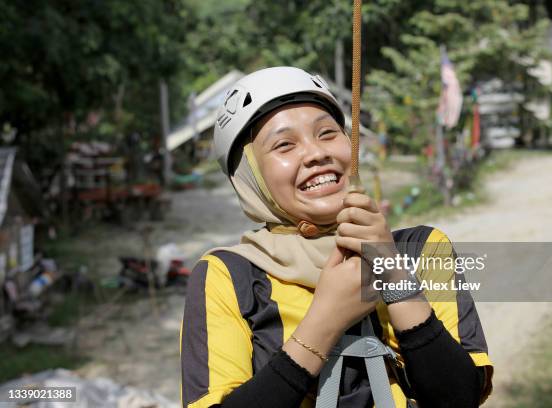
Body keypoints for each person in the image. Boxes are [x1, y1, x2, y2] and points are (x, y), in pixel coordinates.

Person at [180, 67, 493, 407]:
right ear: (250, 176)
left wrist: (395, 277)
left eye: (328, 133)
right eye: (284, 144)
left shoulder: (421, 250)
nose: (316, 154)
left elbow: (461, 398)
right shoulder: (228, 276)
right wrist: (324, 322)